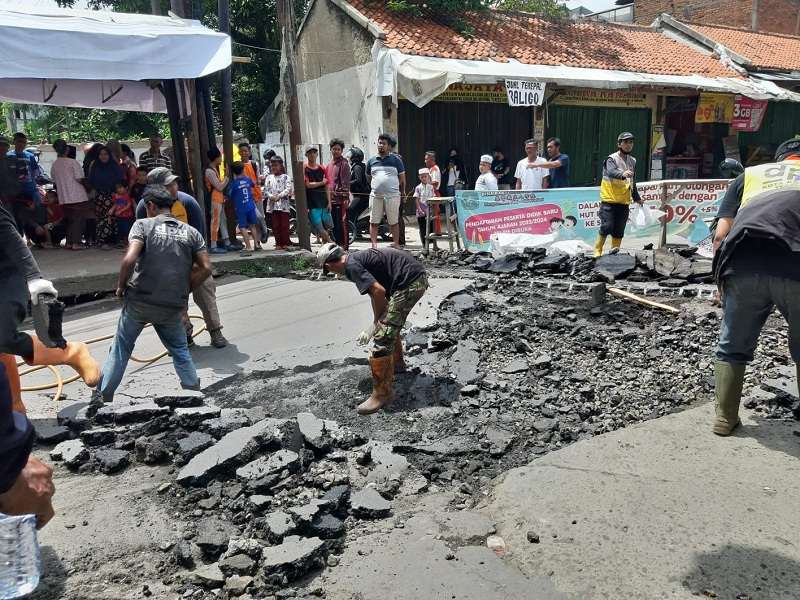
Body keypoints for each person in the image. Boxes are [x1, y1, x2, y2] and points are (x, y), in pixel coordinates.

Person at [709, 138, 800, 436]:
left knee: (733, 344)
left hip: (742, 263)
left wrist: (720, 279)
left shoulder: (748, 176)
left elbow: (721, 235)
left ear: (779, 160)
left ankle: (724, 418)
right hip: (795, 265)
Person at [97, 185, 211, 402]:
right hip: (171, 305)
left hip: (140, 300)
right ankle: (193, 394)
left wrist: (121, 287)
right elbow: (206, 268)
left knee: (121, 346)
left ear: (150, 206)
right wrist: (184, 289)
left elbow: (129, 259)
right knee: (179, 349)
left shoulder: (142, 226)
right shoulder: (191, 233)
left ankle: (104, 397)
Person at [0, 201, 100, 417]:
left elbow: (11, 238)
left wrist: (35, 279)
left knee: (2, 336)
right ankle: (13, 415)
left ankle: (71, 352)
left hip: (6, 274)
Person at [317, 243, 428, 415]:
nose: (332, 273)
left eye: (328, 270)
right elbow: (375, 294)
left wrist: (376, 324)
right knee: (390, 324)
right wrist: (377, 320)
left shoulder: (351, 267)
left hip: (409, 282)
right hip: (410, 277)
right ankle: (398, 364)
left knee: (383, 336)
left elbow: (378, 291)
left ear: (329, 265)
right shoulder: (355, 259)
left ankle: (382, 394)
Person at [136, 167, 228, 349]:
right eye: (167, 185)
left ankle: (215, 330)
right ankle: (184, 336)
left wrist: (195, 268)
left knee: (205, 289)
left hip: (192, 262)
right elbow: (142, 243)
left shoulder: (188, 203)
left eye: (174, 183)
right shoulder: (144, 208)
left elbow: (199, 241)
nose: (173, 188)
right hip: (163, 267)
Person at [596, 132, 642, 257]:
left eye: (631, 142)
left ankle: (613, 254)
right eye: (625, 142)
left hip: (623, 202)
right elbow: (611, 172)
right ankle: (597, 251)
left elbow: (632, 182)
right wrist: (623, 174)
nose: (628, 145)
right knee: (607, 226)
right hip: (609, 200)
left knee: (619, 230)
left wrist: (637, 198)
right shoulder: (611, 159)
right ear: (619, 144)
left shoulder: (633, 161)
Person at [366, 134, 406, 249]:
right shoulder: (371, 161)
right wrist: (378, 186)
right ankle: (374, 245)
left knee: (393, 221)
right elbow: (368, 178)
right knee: (373, 221)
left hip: (392, 195)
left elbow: (402, 179)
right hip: (375, 196)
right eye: (379, 143)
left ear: (388, 146)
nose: (381, 145)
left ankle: (396, 244)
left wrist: (403, 192)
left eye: (383, 143)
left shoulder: (396, 160)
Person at [50, 139, 91, 250]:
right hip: (77, 195)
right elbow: (79, 178)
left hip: (63, 196)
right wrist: (88, 187)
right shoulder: (72, 162)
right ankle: (76, 243)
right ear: (67, 149)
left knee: (69, 220)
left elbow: (54, 179)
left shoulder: (54, 165)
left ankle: (69, 242)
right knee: (78, 219)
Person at [87, 145, 124, 249]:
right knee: (103, 218)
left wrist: (117, 195)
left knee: (116, 217)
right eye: (101, 154)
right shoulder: (95, 167)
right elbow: (91, 182)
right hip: (100, 197)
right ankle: (102, 241)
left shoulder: (114, 166)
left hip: (114, 196)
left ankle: (116, 240)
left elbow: (120, 181)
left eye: (105, 154)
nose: (103, 156)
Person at [5, 132, 42, 237]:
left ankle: (39, 235)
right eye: (19, 142)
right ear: (14, 142)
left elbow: (35, 172)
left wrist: (35, 185)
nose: (22, 144)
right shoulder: (8, 157)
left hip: (31, 190)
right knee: (17, 215)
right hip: (15, 192)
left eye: (24, 142)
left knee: (38, 209)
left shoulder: (30, 156)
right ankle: (20, 236)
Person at [228, 161, 261, 254]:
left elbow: (229, 195)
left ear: (233, 172)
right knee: (252, 225)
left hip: (240, 208)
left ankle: (248, 246)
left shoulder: (234, 184)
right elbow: (254, 184)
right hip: (250, 206)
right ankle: (257, 245)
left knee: (242, 227)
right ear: (243, 170)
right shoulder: (247, 179)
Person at [238, 142, 268, 244]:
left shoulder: (255, 164)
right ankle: (260, 238)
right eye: (241, 151)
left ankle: (261, 236)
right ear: (239, 152)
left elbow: (258, 178)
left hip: (256, 194)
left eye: (245, 151)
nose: (243, 153)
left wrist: (258, 182)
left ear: (249, 152)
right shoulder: (238, 166)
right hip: (246, 196)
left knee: (259, 217)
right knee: (254, 219)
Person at [304, 146, 333, 244]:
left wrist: (329, 202)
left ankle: (325, 246)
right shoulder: (304, 168)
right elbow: (308, 185)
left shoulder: (322, 168)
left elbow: (327, 186)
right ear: (306, 155)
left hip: (323, 201)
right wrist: (321, 182)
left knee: (328, 226)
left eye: (314, 152)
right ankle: (331, 242)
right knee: (319, 227)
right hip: (312, 203)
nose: (312, 154)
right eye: (309, 152)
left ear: (317, 154)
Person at [205, 148, 231, 254]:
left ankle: (227, 242)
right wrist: (227, 177)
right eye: (220, 156)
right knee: (215, 221)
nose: (221, 159)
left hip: (218, 199)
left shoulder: (214, 169)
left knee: (222, 221)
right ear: (216, 158)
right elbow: (219, 187)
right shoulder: (209, 171)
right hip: (214, 199)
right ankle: (213, 245)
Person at [265, 156, 293, 250]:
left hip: (284, 206)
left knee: (284, 225)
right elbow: (266, 190)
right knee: (275, 225)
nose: (274, 167)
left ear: (281, 165)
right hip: (273, 206)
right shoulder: (269, 178)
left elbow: (288, 189)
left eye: (276, 165)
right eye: (272, 165)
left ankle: (285, 243)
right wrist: (272, 196)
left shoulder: (286, 177)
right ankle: (278, 243)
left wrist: (279, 196)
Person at [327, 138, 351, 249]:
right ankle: (336, 246)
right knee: (333, 225)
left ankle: (344, 246)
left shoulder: (344, 164)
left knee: (341, 224)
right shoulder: (329, 164)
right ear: (331, 150)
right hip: (330, 200)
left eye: (338, 149)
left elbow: (346, 182)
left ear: (341, 151)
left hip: (340, 200)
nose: (336, 151)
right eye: (334, 149)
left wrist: (345, 197)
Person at [348, 147, 370, 227]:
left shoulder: (357, 167)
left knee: (350, 209)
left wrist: (348, 183)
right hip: (361, 194)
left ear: (354, 157)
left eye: (350, 155)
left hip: (361, 195)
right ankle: (357, 229)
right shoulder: (359, 166)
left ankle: (353, 227)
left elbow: (358, 180)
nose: (349, 157)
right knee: (356, 211)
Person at [414, 168, 435, 250]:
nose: (424, 178)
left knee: (431, 228)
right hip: (421, 212)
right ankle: (424, 246)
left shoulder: (431, 187)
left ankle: (433, 246)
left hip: (429, 211)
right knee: (422, 228)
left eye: (425, 176)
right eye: (422, 177)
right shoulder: (418, 188)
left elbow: (433, 198)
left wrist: (432, 209)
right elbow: (416, 199)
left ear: (428, 177)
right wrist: (419, 209)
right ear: (419, 177)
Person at [111, 182, 135, 246]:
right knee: (120, 229)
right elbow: (115, 204)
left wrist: (121, 211)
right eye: (117, 188)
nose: (119, 189)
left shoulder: (127, 196)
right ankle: (122, 242)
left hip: (127, 216)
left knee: (127, 229)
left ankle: (128, 243)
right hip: (119, 216)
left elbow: (129, 205)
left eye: (121, 188)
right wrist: (112, 209)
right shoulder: (115, 196)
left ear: (126, 188)